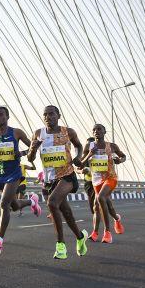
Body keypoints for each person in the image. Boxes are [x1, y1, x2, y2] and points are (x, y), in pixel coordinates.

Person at [0, 107, 40, 254]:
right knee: (14, 205)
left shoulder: (16, 132)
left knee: (4, 204)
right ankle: (31, 201)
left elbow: (31, 150)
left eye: (1, 115)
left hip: (14, 173)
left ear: (7, 117)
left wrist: (23, 152)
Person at [27, 105, 88, 259]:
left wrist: (78, 157)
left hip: (67, 175)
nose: (48, 117)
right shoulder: (38, 134)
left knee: (52, 203)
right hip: (49, 179)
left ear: (58, 115)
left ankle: (60, 245)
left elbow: (79, 146)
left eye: (52, 114)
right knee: (65, 212)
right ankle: (80, 237)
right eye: (45, 115)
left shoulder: (68, 132)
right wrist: (33, 149)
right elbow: (30, 158)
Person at [80, 129, 125, 243]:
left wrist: (120, 160)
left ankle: (107, 232)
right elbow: (80, 164)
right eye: (94, 130)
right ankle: (116, 219)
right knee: (100, 206)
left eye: (99, 129)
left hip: (110, 178)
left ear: (105, 132)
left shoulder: (112, 146)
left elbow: (123, 156)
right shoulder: (88, 146)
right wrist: (90, 154)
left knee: (100, 198)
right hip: (96, 181)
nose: (96, 131)